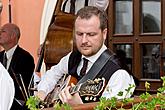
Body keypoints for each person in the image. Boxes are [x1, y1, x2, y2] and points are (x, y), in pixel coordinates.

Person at [36, 6, 135, 105]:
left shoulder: (119, 74)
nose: (84, 41)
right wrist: (42, 92)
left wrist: (79, 106)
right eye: (79, 34)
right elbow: (53, 73)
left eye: (91, 34)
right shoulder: (73, 57)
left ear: (104, 34)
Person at [0, 23, 35, 110]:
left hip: (17, 104)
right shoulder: (0, 56)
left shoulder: (25, 58)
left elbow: (22, 85)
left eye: (3, 31)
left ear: (13, 36)